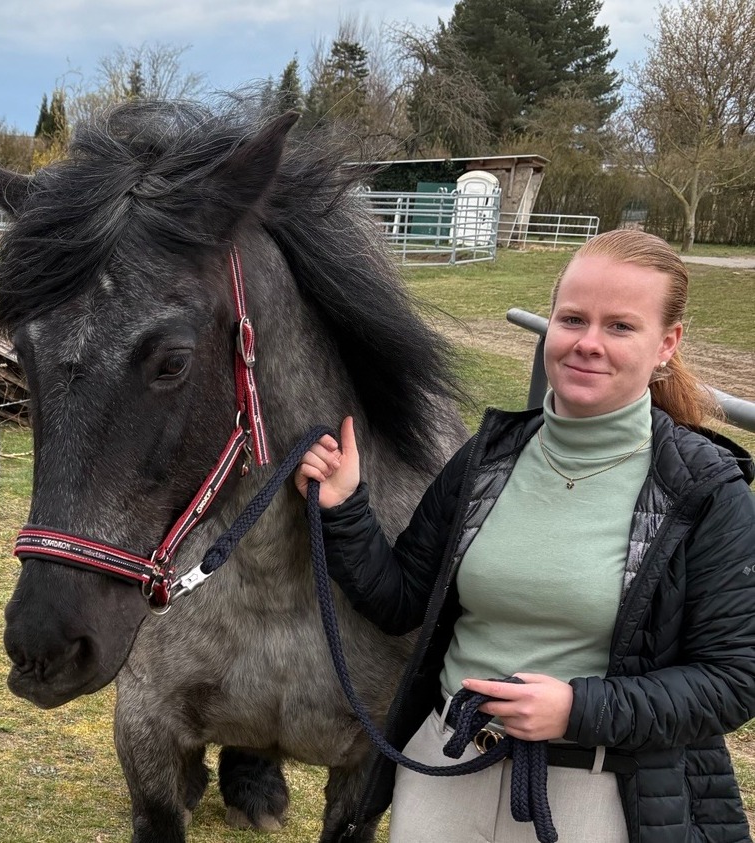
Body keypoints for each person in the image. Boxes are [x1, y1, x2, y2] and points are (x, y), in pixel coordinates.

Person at [295, 228, 755, 842]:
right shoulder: (488, 458)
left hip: (589, 791)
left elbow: (733, 680)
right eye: (573, 319)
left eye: (620, 326)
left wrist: (578, 709)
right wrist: (344, 508)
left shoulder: (705, 492)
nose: (588, 343)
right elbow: (400, 600)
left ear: (666, 345)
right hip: (445, 766)